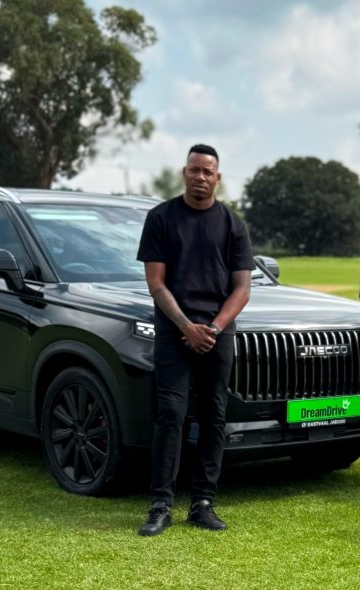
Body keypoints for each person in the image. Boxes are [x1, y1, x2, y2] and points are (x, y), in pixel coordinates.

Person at [135, 144, 254, 536]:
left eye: (208, 171)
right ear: (184, 173)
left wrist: (214, 329)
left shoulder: (233, 224)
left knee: (214, 416)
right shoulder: (161, 218)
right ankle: (160, 505)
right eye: (194, 170)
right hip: (174, 331)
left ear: (217, 178)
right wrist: (187, 326)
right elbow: (156, 284)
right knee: (171, 413)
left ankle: (203, 503)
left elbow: (242, 289)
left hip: (218, 334)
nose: (200, 177)